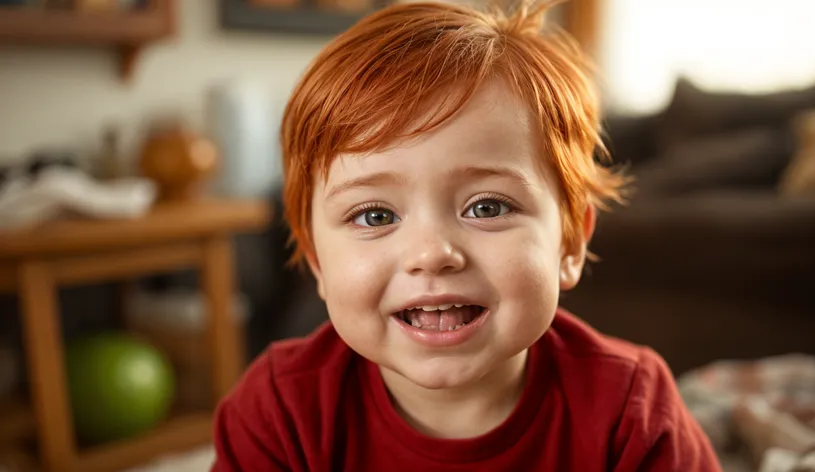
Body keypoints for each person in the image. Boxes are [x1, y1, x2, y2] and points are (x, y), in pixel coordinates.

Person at [211, 0, 722, 470]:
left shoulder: (633, 412)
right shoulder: (277, 412)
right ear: (318, 261)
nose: (432, 254)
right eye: (374, 216)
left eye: (488, 206)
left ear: (569, 243)